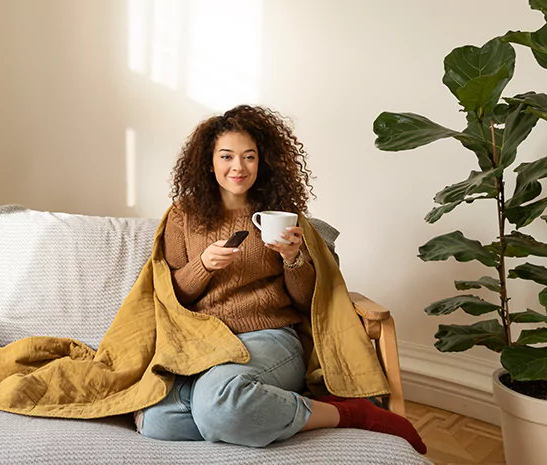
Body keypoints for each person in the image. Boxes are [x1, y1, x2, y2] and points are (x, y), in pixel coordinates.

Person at [134, 105, 426, 454]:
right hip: (203, 341)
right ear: (208, 161)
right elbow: (171, 295)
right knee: (156, 422)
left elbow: (308, 303)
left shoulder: (281, 213)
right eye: (226, 156)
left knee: (217, 406)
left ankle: (346, 414)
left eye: (249, 157)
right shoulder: (183, 215)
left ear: (263, 161)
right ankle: (249, 405)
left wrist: (293, 259)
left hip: (269, 337)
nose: (238, 167)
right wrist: (203, 266)